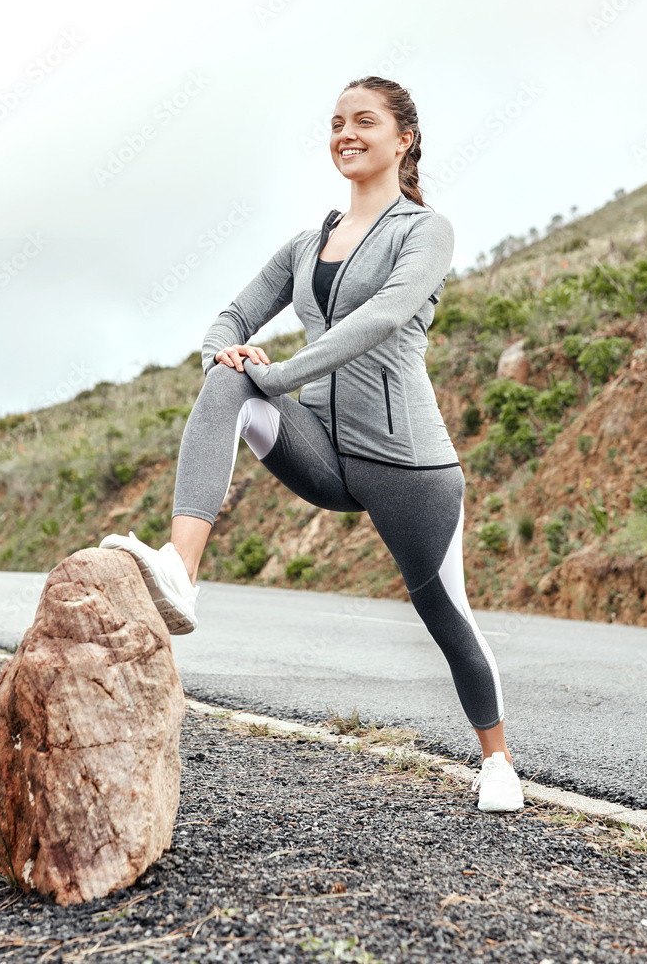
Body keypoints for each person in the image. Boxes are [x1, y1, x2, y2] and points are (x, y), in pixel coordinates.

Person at [101, 75, 523, 814]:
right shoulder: (306, 244)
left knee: (446, 617)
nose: (346, 133)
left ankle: (498, 761)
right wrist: (224, 358)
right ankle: (180, 572)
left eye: (364, 121)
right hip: (323, 448)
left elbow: (381, 319)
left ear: (404, 139)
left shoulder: (425, 231)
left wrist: (280, 373)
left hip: (409, 464)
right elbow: (233, 316)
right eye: (335, 123)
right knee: (229, 382)